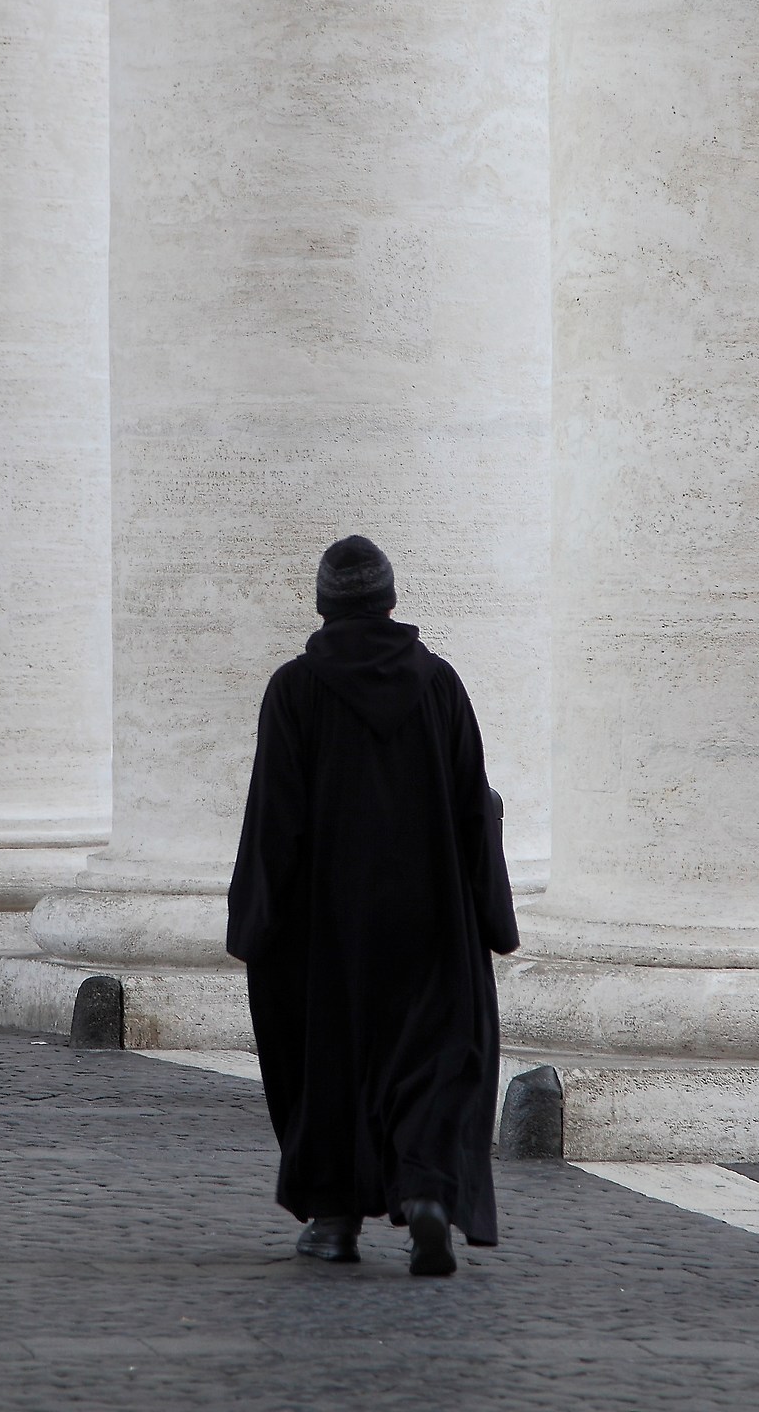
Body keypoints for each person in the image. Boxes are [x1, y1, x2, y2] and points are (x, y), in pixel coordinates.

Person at [226, 535, 519, 1276]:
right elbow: (473, 806)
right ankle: (426, 1192)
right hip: (432, 917)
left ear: (324, 605)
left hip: (327, 926)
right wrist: (491, 915)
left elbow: (275, 816)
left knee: (330, 1061)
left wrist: (257, 921)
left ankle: (334, 1221)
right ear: (390, 600)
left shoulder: (295, 689)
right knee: (432, 1058)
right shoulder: (439, 684)